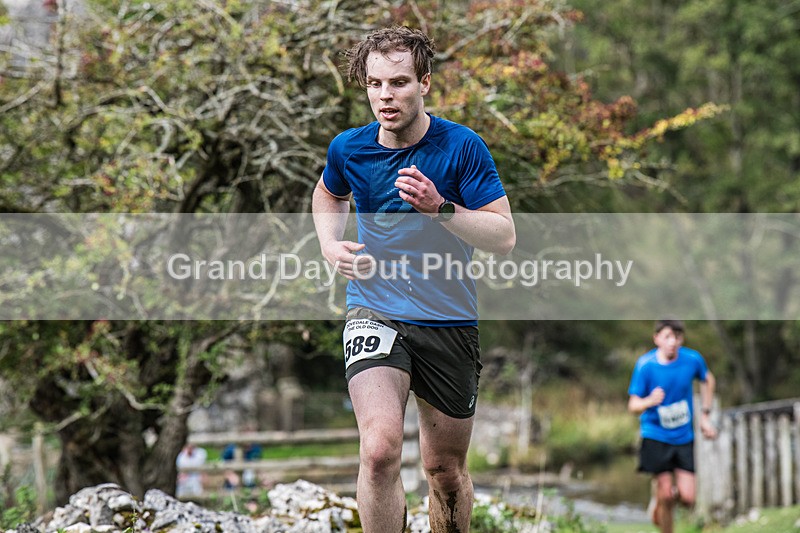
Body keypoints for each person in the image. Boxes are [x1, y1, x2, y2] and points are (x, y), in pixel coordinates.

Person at [311, 26, 515, 533]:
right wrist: (330, 244)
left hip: (447, 317)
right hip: (374, 307)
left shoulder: (462, 147)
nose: (385, 95)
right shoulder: (349, 148)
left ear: (424, 83)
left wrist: (440, 208)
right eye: (375, 84)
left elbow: (503, 235)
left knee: (443, 470)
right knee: (379, 451)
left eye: (399, 82)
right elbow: (329, 193)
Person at [627, 319, 718, 533]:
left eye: (677, 337)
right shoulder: (646, 365)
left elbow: (708, 379)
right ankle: (662, 503)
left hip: (683, 436)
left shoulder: (692, 360)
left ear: (681, 339)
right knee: (667, 494)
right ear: (656, 338)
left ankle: (659, 501)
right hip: (655, 435)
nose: (672, 342)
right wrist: (649, 401)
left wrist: (705, 415)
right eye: (667, 337)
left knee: (688, 498)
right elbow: (633, 405)